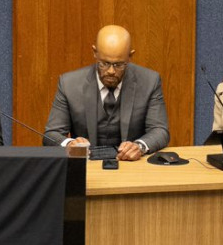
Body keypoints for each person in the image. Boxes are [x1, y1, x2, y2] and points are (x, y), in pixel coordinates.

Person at [44, 25, 169, 160]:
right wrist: (70, 144)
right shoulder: (69, 83)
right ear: (94, 52)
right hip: (87, 167)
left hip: (131, 166)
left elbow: (160, 131)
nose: (111, 71)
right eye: (104, 63)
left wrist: (139, 146)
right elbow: (51, 134)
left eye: (119, 65)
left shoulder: (150, 81)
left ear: (130, 56)